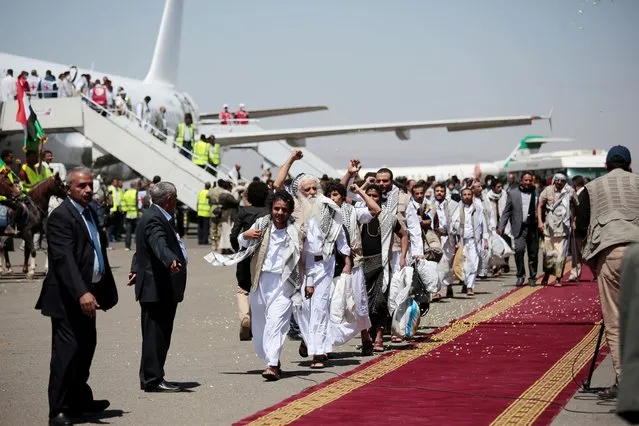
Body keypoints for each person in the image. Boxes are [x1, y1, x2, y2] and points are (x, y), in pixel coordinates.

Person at [35, 167, 118, 425]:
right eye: (82, 186)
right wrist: (82, 291)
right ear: (69, 188)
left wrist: (99, 288)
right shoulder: (62, 216)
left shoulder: (90, 213)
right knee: (66, 354)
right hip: (66, 299)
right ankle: (58, 410)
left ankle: (80, 399)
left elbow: (95, 251)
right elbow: (64, 259)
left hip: (89, 296)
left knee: (85, 349)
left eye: (90, 185)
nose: (88, 190)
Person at [580, 145, 639, 400]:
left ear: (605, 166)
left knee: (615, 321)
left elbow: (580, 227)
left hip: (611, 255)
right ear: (629, 165)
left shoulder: (592, 189)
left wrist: (590, 261)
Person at [128, 182, 188, 393]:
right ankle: (153, 379)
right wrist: (170, 259)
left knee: (157, 334)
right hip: (157, 288)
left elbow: (141, 249)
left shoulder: (153, 214)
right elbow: (157, 243)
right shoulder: (155, 218)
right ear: (170, 199)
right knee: (156, 335)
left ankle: (151, 376)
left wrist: (136, 268)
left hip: (157, 286)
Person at [229, 181, 270, 341]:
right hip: (264, 258)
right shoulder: (269, 212)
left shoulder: (243, 212)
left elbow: (233, 235)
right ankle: (257, 322)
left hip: (246, 256)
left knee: (243, 289)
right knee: (257, 289)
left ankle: (245, 317)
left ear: (249, 197)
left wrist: (237, 248)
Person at [498, 171, 539, 286]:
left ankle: (532, 277)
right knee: (519, 251)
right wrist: (501, 226)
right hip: (519, 228)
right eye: (526, 180)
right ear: (521, 181)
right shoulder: (513, 193)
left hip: (533, 227)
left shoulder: (536, 192)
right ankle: (520, 275)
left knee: (533, 254)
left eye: (530, 180)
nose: (528, 182)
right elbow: (506, 212)